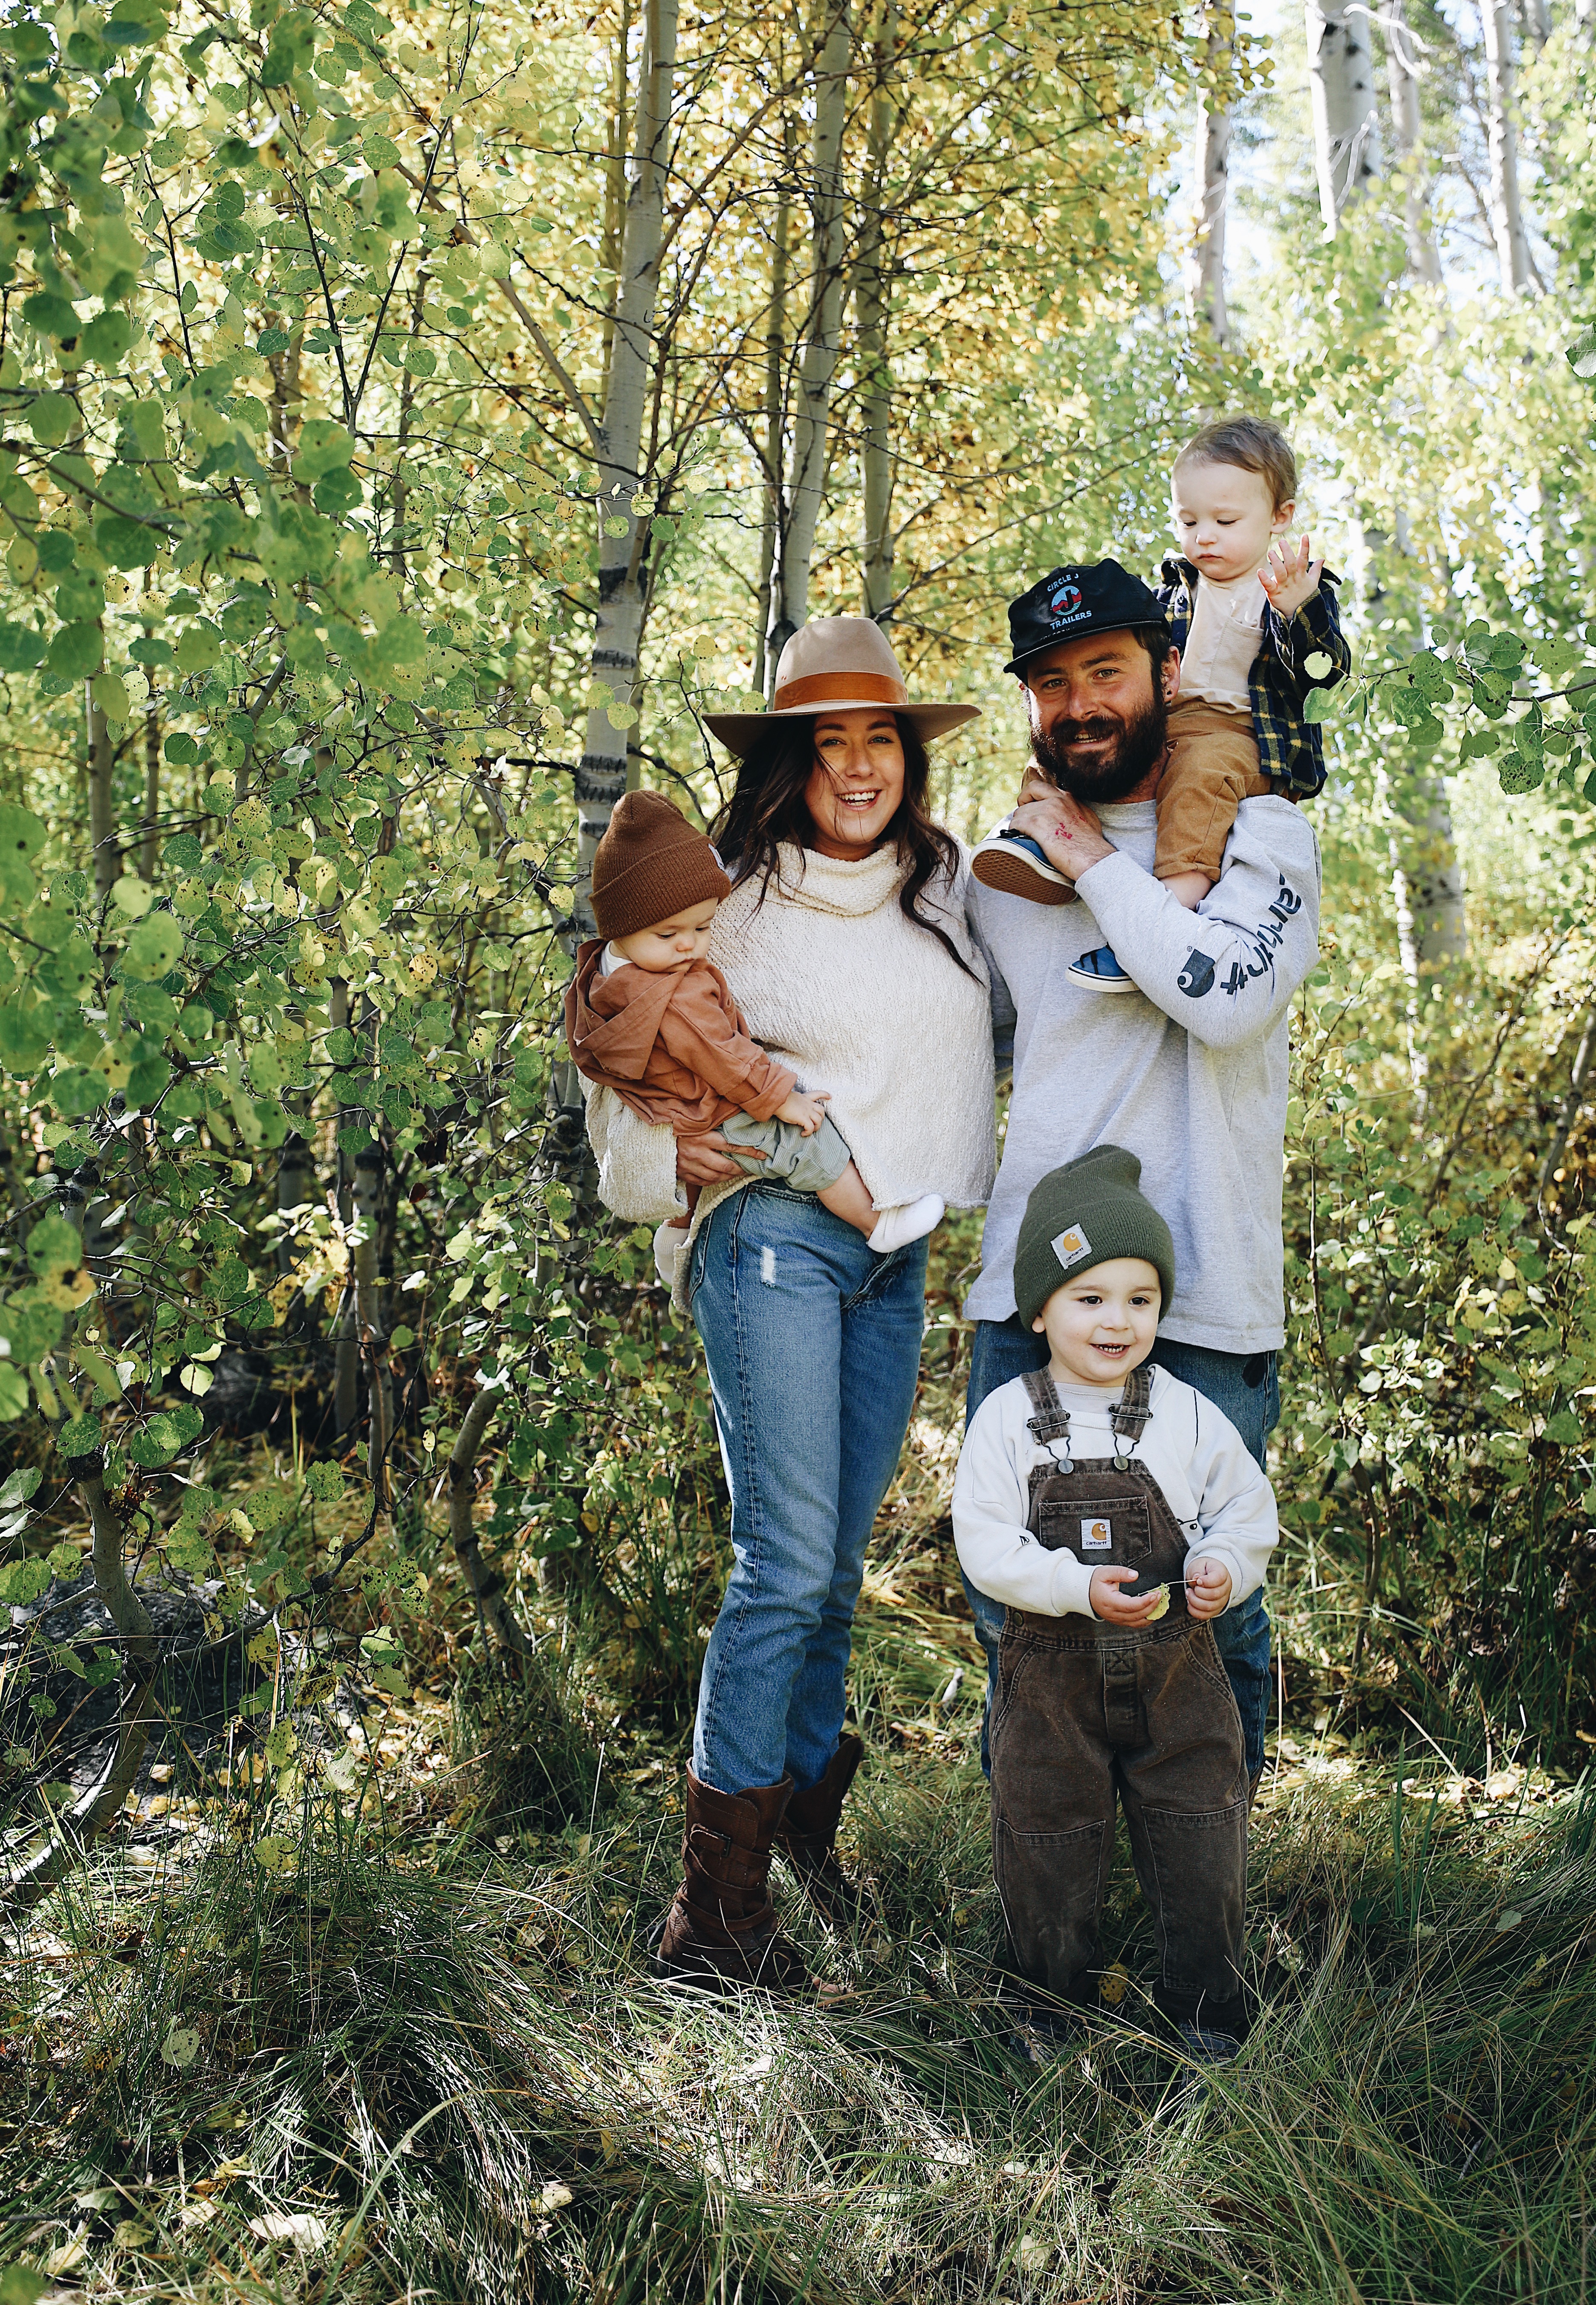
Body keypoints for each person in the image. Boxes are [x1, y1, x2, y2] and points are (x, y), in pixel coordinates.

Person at [580, 617, 997, 1990]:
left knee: (832, 1573)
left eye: (883, 738)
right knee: (784, 1561)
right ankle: (711, 1925)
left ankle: (802, 1846)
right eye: (833, 743)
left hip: (894, 1257)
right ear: (790, 764)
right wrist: (664, 1161)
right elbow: (613, 1046)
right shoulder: (733, 897)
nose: (863, 765)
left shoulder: (941, 889)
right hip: (771, 1239)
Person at [959, 555, 1323, 1793]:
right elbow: (942, 1057)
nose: (1079, 705)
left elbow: (1219, 999)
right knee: (1013, 1601)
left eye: (1104, 671)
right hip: (1027, 1303)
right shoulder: (999, 876)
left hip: (1207, 1296)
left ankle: (1210, 1893)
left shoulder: (1257, 831)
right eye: (1050, 684)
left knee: (1208, 1611)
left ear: (1167, 671)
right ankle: (1056, 1891)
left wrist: (1091, 860)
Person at [953, 1146, 1276, 2056]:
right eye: (1089, 1297)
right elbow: (983, 1540)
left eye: (1140, 1298)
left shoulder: (1181, 1409)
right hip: (1050, 1686)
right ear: (1039, 1309)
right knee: (1047, 1831)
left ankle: (1206, 2006)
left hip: (1178, 1677)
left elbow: (1246, 1507)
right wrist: (1070, 1585)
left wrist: (1220, 1562)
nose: (1117, 1320)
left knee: (1199, 1827)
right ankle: (1049, 2006)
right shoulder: (1008, 1417)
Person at [973, 415, 1349, 990]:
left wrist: (1299, 613)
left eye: (1224, 521)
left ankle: (1167, 912)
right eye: (1187, 520)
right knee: (1071, 743)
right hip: (1171, 718)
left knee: (1198, 780)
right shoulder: (1173, 587)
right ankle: (1042, 841)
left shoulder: (1294, 589)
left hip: (1240, 733)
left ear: (1280, 518)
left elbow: (1323, 676)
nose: (1203, 536)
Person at [564, 789, 944, 1258]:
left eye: (703, 928)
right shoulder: (678, 993)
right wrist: (783, 1098)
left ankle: (675, 1231)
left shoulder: (597, 978)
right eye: (667, 934)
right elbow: (724, 1054)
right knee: (803, 1143)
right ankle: (876, 1221)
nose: (688, 946)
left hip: (665, 1110)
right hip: (708, 1105)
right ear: (618, 924)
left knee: (713, 1163)